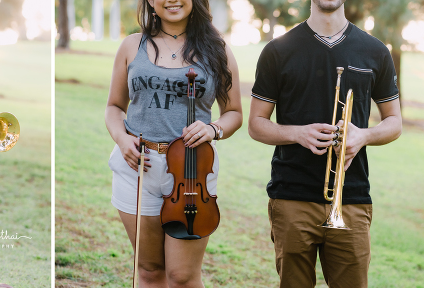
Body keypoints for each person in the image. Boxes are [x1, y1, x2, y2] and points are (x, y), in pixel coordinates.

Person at [247, 0, 402, 287]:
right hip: (291, 196)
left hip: (352, 199)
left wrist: (363, 135)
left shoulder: (376, 51)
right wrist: (297, 133)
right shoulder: (278, 50)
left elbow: (394, 122)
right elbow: (256, 124)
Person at [104, 0, 242, 286]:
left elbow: (234, 114)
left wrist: (213, 129)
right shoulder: (132, 46)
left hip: (193, 173)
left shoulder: (218, 50)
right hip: (137, 168)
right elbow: (114, 107)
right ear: (151, 2)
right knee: (149, 270)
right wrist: (122, 139)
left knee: (182, 276)